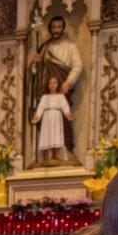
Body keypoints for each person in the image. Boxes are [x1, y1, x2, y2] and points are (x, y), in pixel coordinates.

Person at [30, 15, 83, 155]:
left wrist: (69, 81)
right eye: (53, 27)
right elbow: (36, 73)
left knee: (65, 118)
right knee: (46, 121)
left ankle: (65, 151)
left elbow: (78, 65)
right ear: (50, 28)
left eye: (59, 27)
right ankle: (49, 154)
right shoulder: (44, 47)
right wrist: (36, 63)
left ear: (63, 28)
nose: (56, 30)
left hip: (63, 87)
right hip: (47, 89)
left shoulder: (70, 45)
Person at [32, 75, 74, 165]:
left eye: (54, 83)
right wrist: (37, 116)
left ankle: (55, 154)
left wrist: (68, 114)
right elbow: (40, 108)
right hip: (47, 118)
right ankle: (49, 154)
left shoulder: (61, 96)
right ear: (48, 85)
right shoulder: (44, 97)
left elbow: (65, 107)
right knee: (48, 134)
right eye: (50, 83)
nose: (52, 85)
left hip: (57, 117)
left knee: (56, 134)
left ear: (58, 84)